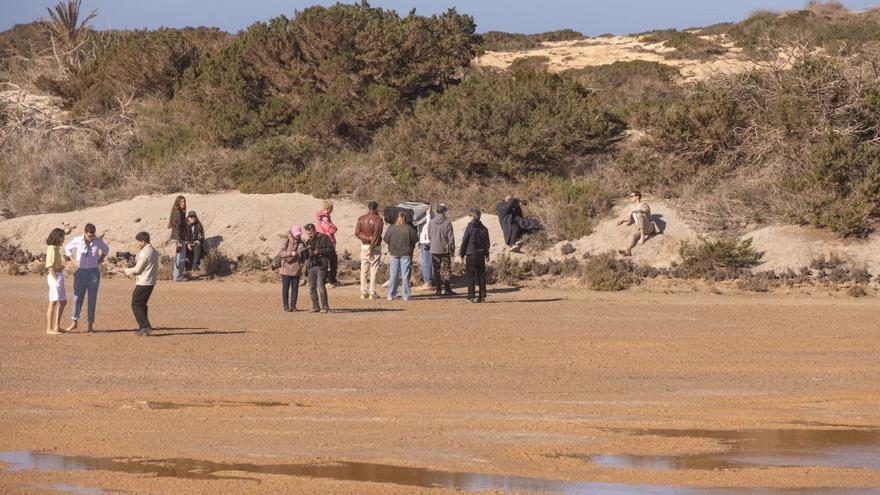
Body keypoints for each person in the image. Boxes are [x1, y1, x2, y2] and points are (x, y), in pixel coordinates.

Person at [63, 223, 109, 333]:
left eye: (93, 235)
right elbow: (67, 248)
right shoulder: (77, 240)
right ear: (84, 233)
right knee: (77, 297)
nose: (91, 238)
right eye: (89, 236)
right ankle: (74, 322)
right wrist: (73, 261)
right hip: (81, 271)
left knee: (92, 298)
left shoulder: (98, 241)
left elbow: (106, 249)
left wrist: (100, 259)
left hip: (93, 272)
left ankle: (90, 325)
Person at [125, 231, 159, 336]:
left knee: (136, 304)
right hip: (150, 281)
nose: (137, 244)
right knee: (142, 304)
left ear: (143, 241)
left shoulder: (145, 252)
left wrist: (125, 270)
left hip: (144, 282)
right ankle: (143, 327)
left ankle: (145, 326)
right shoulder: (152, 250)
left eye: (138, 242)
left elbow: (137, 270)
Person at [383, 212, 419, 301]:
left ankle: (391, 294)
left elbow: (386, 239)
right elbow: (415, 239)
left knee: (394, 274)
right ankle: (405, 295)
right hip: (406, 253)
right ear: (405, 219)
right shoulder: (409, 228)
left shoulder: (391, 228)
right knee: (405, 274)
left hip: (394, 253)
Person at [354, 201, 384, 300]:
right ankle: (372, 292)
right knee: (373, 270)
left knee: (364, 270)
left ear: (368, 208)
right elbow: (377, 235)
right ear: (376, 208)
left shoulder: (361, 218)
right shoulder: (378, 220)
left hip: (364, 246)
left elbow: (357, 233)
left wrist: (367, 238)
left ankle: (363, 292)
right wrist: (371, 246)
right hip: (374, 247)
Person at [459, 209, 490, 303]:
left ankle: (471, 297)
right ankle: (482, 296)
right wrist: (487, 254)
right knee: (481, 275)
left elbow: (465, 241)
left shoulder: (470, 228)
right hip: (481, 255)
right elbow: (487, 243)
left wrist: (462, 253)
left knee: (471, 276)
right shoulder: (484, 228)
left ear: (473, 217)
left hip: (471, 254)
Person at [617, 190, 658, 257]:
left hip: (648, 227)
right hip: (640, 228)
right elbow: (630, 218)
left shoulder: (644, 204)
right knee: (632, 236)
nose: (630, 197)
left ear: (637, 197)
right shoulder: (631, 207)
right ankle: (628, 250)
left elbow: (644, 211)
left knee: (639, 214)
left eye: (632, 196)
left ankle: (642, 237)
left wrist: (634, 211)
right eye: (630, 196)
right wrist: (622, 220)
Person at [303, 223, 333, 313]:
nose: (310, 235)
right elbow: (306, 256)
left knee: (320, 285)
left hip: (321, 265)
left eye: (311, 232)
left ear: (315, 230)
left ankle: (325, 306)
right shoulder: (308, 242)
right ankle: (315, 306)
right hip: (311, 266)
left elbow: (330, 249)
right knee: (312, 287)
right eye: (308, 233)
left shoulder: (324, 238)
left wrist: (319, 251)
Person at [428, 203, 456, 296]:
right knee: (446, 270)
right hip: (444, 250)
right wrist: (452, 251)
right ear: (444, 211)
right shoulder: (447, 222)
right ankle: (447, 289)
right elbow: (451, 239)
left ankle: (438, 290)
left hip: (434, 249)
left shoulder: (431, 222)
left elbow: (429, 235)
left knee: (436, 270)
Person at [278, 225, 306, 312]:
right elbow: (280, 253)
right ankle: (286, 306)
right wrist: (291, 253)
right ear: (292, 233)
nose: (298, 235)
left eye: (299, 234)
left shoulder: (301, 242)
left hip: (297, 269)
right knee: (285, 288)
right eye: (296, 234)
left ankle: (293, 306)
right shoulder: (286, 241)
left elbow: (304, 256)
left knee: (295, 288)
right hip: (286, 269)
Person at [45, 228, 67, 335]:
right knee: (53, 302)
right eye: (62, 236)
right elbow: (49, 266)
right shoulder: (51, 248)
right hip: (54, 277)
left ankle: (57, 326)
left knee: (63, 301)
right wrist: (56, 279)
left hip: (59, 275)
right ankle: (49, 329)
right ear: (57, 237)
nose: (63, 239)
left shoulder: (56, 249)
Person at [316, 200, 339, 288]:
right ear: (328, 208)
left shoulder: (324, 216)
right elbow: (329, 228)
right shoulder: (324, 218)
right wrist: (335, 228)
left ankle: (330, 280)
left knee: (331, 260)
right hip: (327, 241)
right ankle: (328, 281)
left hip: (326, 240)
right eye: (331, 207)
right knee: (330, 261)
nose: (332, 209)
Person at [167, 195, 187, 282]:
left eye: (184, 201)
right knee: (180, 257)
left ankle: (177, 275)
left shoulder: (178, 211)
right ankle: (177, 276)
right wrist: (179, 240)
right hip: (178, 238)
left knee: (179, 257)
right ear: (178, 203)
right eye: (181, 202)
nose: (183, 203)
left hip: (178, 237)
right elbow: (177, 227)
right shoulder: (178, 212)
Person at [417, 204, 433, 291]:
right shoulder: (424, 218)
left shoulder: (429, 217)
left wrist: (428, 214)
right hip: (423, 242)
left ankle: (428, 282)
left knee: (426, 262)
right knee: (426, 261)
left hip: (426, 242)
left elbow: (429, 226)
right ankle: (428, 281)